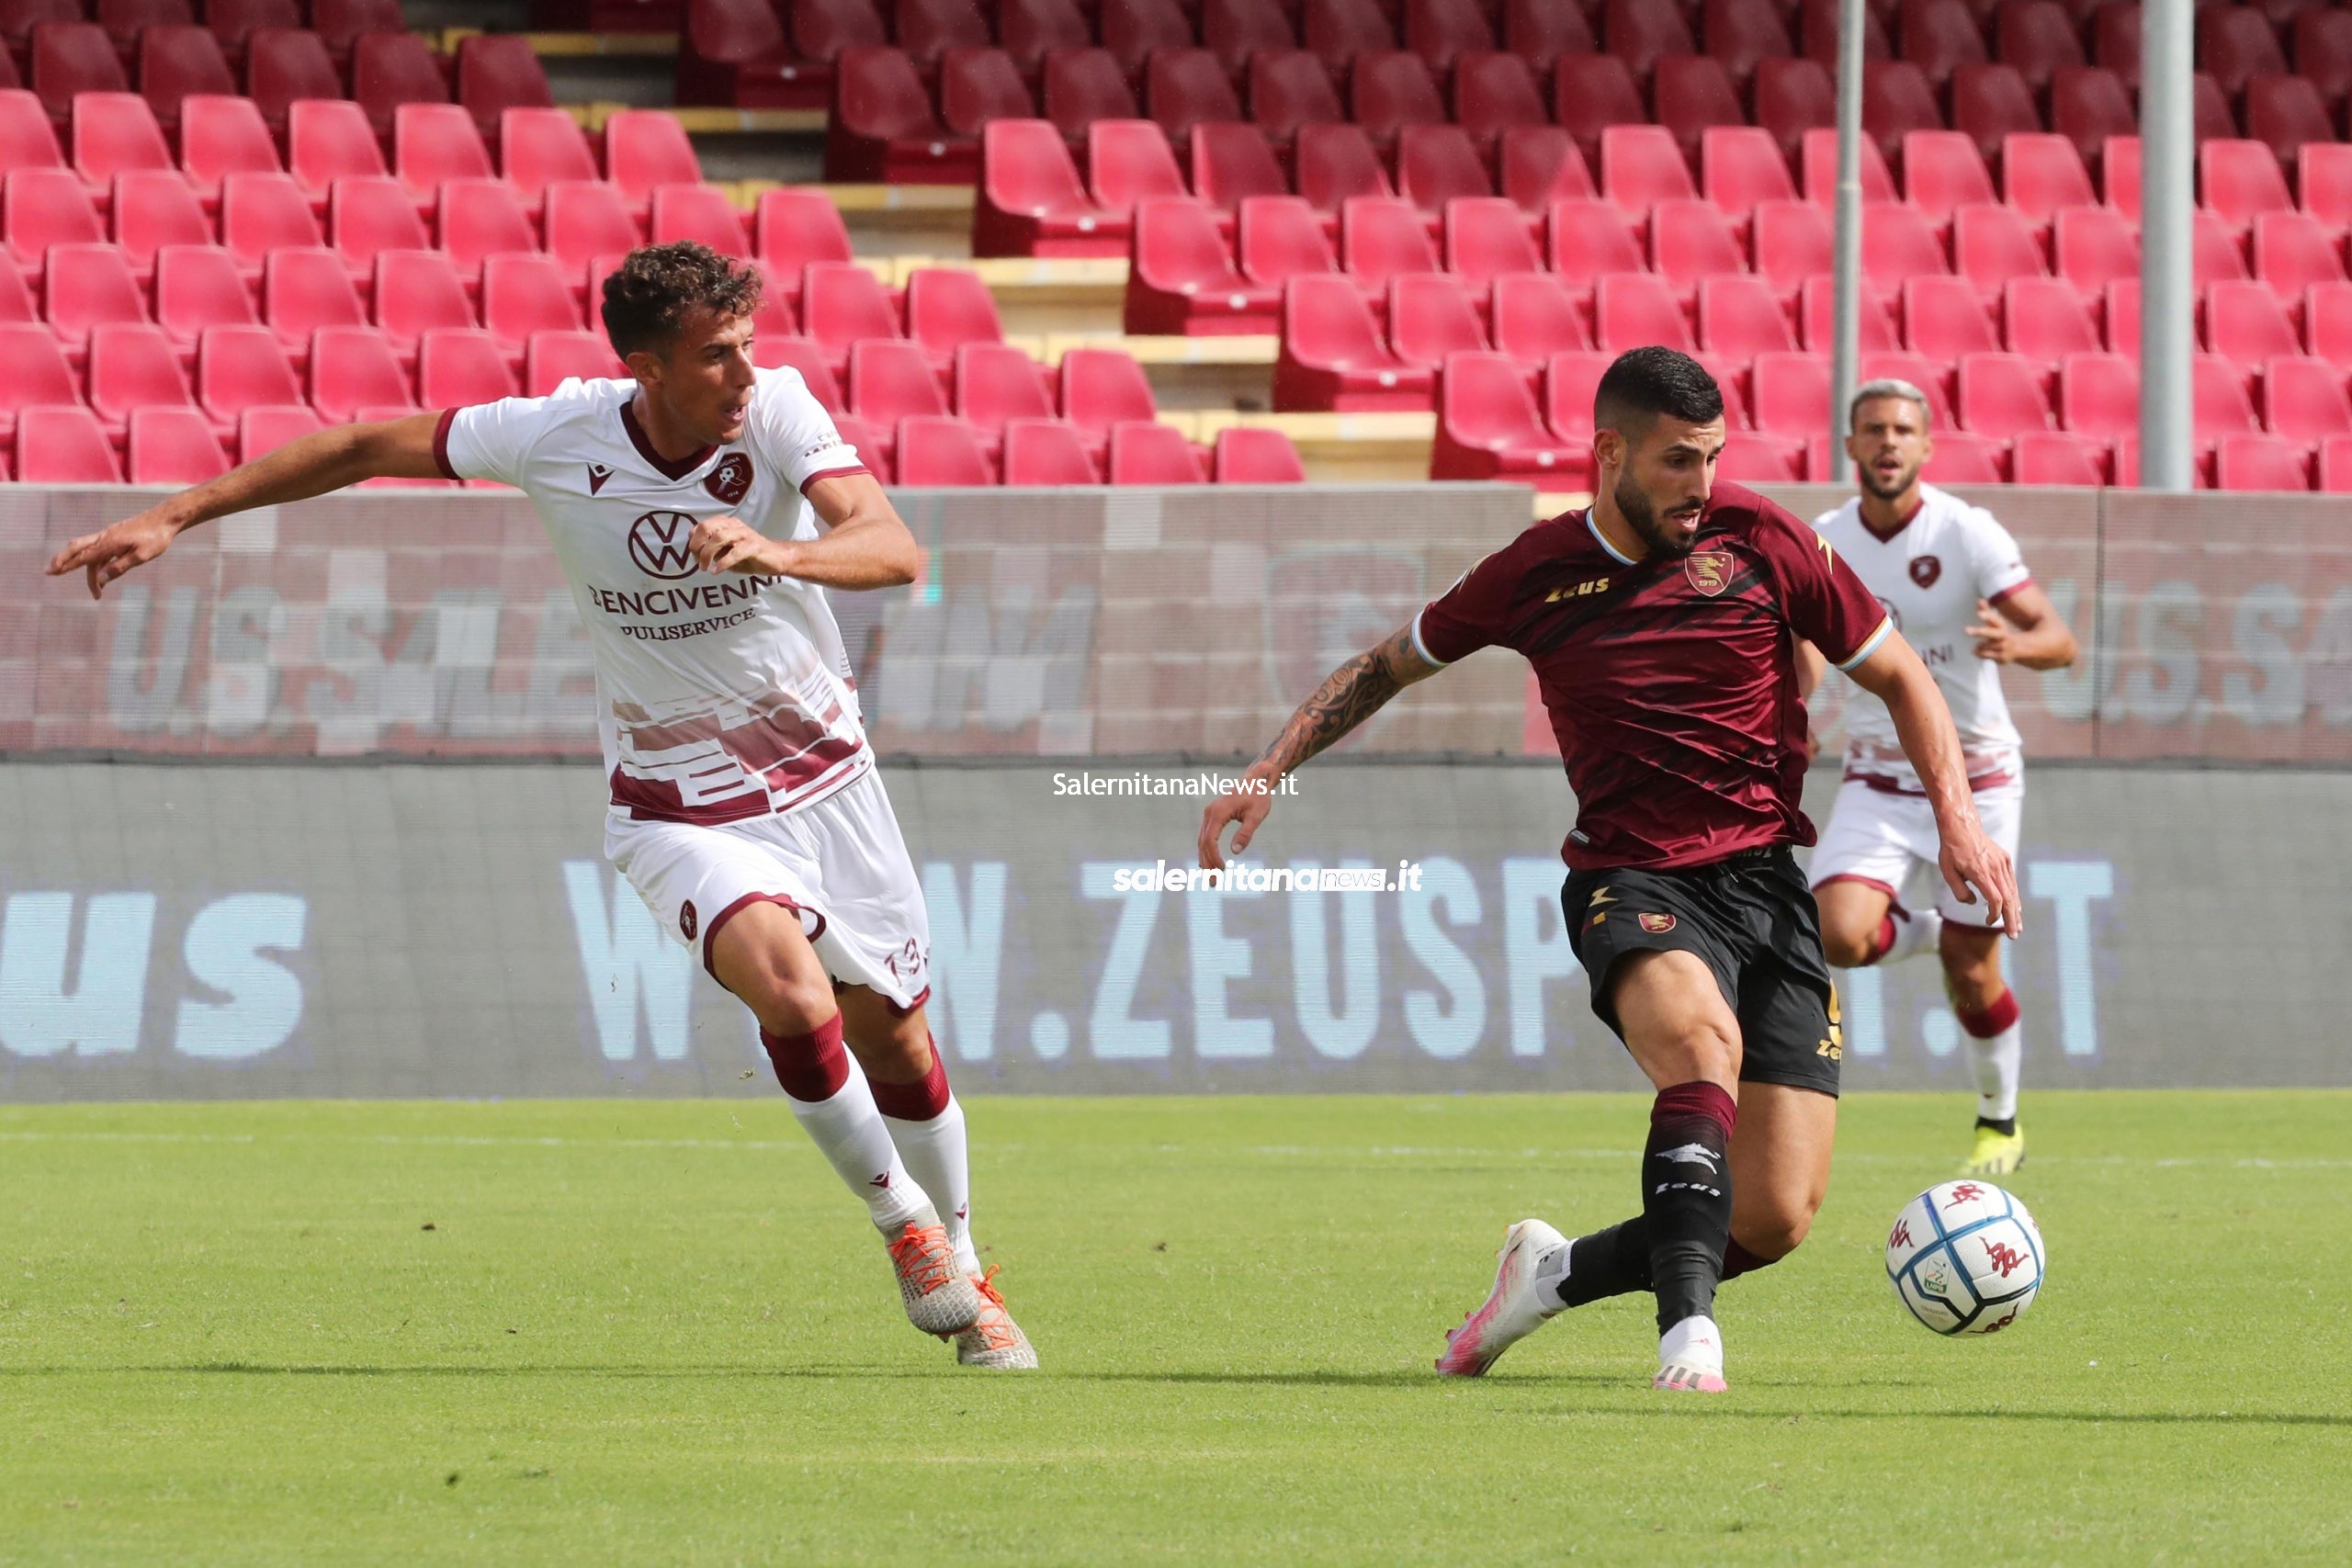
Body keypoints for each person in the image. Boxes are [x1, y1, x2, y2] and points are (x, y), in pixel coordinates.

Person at [45, 241, 1035, 1371]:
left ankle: (965, 1256)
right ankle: (901, 1224)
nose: (744, 372)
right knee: (790, 992)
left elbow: (891, 545)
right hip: (678, 805)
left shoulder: (776, 414)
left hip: (826, 785)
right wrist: (178, 513)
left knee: (897, 1040)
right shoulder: (553, 434)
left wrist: (775, 550)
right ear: (646, 367)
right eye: (716, 355)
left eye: (747, 346)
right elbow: (368, 444)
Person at [1198, 347, 2020, 1393]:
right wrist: (1271, 769)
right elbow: (1384, 666)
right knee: (1698, 1045)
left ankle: (1549, 1276)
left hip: (1767, 886)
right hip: (1632, 881)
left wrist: (1959, 824)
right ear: (1609, 452)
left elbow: (1903, 677)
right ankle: (1689, 1341)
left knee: (1773, 1215)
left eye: (1714, 457)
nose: (1702, 483)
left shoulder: (1764, 540)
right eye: (1679, 461)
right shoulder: (1535, 570)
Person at [1800, 380, 2078, 1178]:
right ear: (1850, 446)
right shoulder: (1824, 540)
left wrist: (2017, 645)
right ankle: (1927, 929)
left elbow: (2059, 639)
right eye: (1873, 430)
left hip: (1979, 781)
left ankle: (2000, 1118)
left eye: (1903, 430)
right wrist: (1794, 700)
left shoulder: (1967, 532)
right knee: (1837, 933)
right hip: (1879, 778)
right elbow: (1808, 655)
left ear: (1925, 446)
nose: (1888, 443)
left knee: (1973, 968)